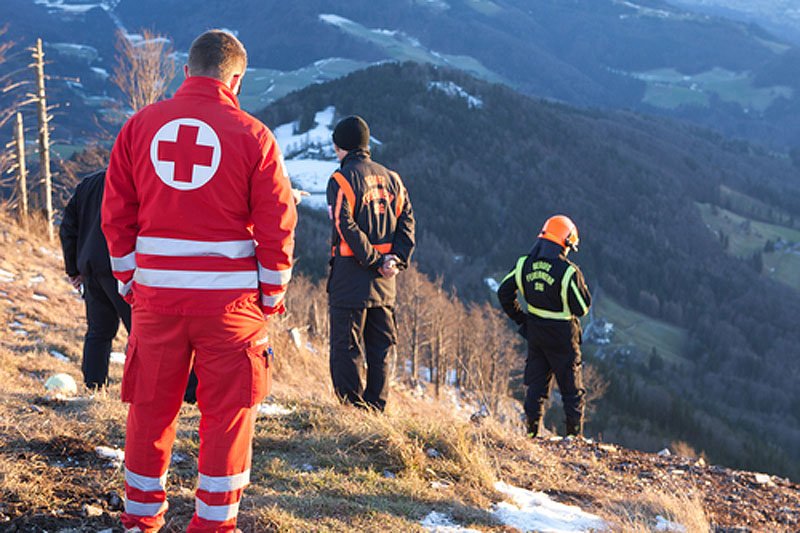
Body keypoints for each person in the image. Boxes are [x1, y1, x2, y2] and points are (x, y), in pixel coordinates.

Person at [102, 30, 296, 532]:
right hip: (231, 309)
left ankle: (140, 520)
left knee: (150, 409)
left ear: (186, 72)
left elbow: (116, 214)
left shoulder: (139, 127)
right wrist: (271, 297)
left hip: (157, 301)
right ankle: (213, 524)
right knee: (228, 416)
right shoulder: (254, 136)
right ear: (236, 78)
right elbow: (278, 227)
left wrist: (129, 280)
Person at [326, 115, 415, 411]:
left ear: (340, 147)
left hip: (351, 280)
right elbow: (407, 223)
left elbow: (344, 226)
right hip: (385, 283)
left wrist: (375, 260)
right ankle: (376, 409)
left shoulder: (341, 179)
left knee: (346, 347)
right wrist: (396, 260)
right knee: (380, 349)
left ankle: (352, 410)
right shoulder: (394, 179)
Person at [497, 215, 592, 438]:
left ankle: (530, 435)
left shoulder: (524, 264)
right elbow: (582, 308)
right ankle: (574, 438)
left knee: (536, 387)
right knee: (572, 391)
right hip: (563, 337)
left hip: (536, 332)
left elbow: (504, 293)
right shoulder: (568, 272)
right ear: (565, 243)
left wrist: (521, 317)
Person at [59, 169, 131, 390]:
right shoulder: (134, 182)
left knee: (98, 332)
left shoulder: (88, 184)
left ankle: (94, 386)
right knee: (142, 333)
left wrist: (73, 269)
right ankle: (140, 389)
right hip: (123, 268)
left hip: (91, 268)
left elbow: (67, 228)